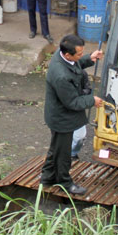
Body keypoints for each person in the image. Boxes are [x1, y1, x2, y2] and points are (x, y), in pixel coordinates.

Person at [39, 34, 104, 195]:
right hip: (62, 118)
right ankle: (64, 183)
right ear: (67, 54)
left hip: (57, 115)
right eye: (79, 54)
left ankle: (46, 177)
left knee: (56, 148)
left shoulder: (61, 56)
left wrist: (90, 58)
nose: (81, 56)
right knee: (64, 154)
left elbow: (75, 63)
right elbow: (72, 102)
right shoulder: (61, 76)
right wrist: (92, 100)